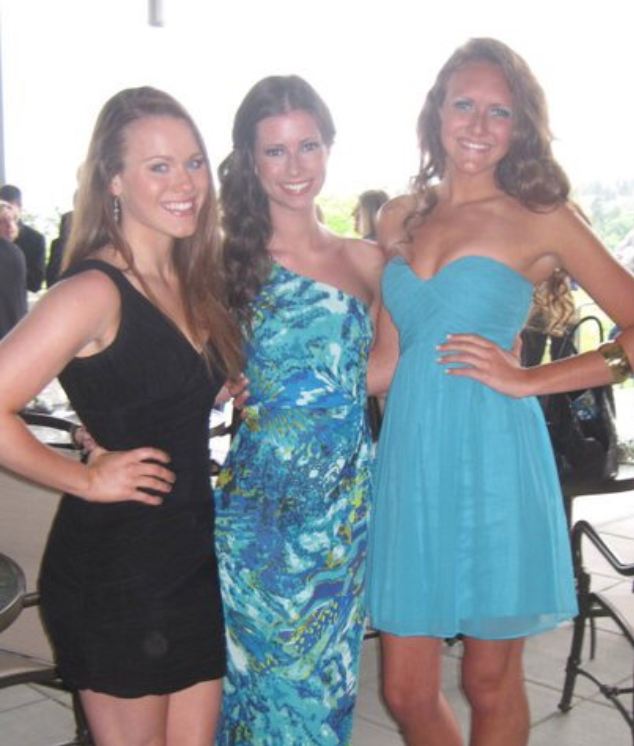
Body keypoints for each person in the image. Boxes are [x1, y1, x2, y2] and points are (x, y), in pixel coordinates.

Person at [366, 37, 634, 746]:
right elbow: (385, 363)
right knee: (404, 688)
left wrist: (532, 379)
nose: (479, 125)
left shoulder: (538, 217)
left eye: (500, 112)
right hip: (411, 461)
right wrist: (277, 386)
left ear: (520, 128)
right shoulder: (399, 216)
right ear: (437, 113)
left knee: (489, 681)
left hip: (495, 457)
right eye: (465, 105)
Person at [0, 86, 243, 746]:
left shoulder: (193, 279)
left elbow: (159, 388)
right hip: (116, 570)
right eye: (157, 166)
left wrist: (221, 386)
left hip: (189, 557)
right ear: (113, 180)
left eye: (192, 162)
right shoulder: (91, 291)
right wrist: (83, 478)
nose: (185, 182)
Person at [215, 74, 384, 745]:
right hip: (259, 516)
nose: (294, 167)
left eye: (307, 146)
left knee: (324, 691)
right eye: (276, 151)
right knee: (256, 690)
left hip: (342, 511)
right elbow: (170, 374)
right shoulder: (226, 262)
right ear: (251, 160)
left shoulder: (370, 260)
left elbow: (385, 371)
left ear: (329, 148)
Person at [0, 183, 46, 292]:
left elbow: (35, 284)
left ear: (19, 207)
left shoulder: (35, 239)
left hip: (16, 302)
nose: (6, 211)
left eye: (9, 207)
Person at [0, 200, 27, 338]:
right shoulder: (12, 251)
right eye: (2, 221)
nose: (10, 226)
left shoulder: (13, 251)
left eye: (11, 220)